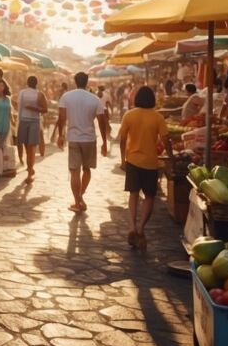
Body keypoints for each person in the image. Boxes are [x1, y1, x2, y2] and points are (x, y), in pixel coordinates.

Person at [118, 86, 169, 253]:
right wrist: (171, 156)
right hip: (150, 162)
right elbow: (165, 139)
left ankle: (132, 226)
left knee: (133, 194)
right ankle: (140, 228)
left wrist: (123, 159)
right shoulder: (158, 117)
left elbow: (123, 139)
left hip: (132, 160)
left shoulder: (129, 115)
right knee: (149, 196)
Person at [56, 72, 109, 213]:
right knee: (86, 170)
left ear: (74, 81)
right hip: (89, 139)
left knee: (74, 172)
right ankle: (80, 196)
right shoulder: (95, 99)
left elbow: (61, 118)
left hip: (73, 138)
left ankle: (77, 202)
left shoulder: (66, 97)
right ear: (87, 82)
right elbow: (102, 121)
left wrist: (60, 135)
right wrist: (104, 142)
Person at [15, 76, 47, 183]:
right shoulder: (37, 94)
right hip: (28, 121)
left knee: (30, 148)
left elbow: (44, 109)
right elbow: (45, 109)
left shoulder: (34, 93)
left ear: (27, 83)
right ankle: (30, 169)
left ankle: (29, 174)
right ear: (36, 83)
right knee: (29, 149)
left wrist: (32, 108)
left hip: (29, 122)